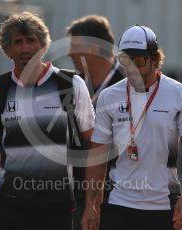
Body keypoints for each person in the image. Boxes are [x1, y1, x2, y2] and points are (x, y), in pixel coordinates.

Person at [0, 11, 94, 230]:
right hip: (10, 206)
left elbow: (93, 146)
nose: (25, 48)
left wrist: (92, 204)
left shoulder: (71, 84)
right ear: (7, 50)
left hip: (57, 207)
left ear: (43, 45)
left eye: (31, 40)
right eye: (18, 42)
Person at [81, 25, 182, 230]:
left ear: (155, 59)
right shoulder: (109, 96)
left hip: (164, 206)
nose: (130, 68)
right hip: (118, 203)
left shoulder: (180, 94)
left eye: (137, 60)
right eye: (124, 60)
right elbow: (97, 154)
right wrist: (90, 204)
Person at [66, 14, 124, 230]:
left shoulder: (131, 85)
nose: (70, 53)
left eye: (75, 47)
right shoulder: (72, 85)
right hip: (79, 193)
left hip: (121, 193)